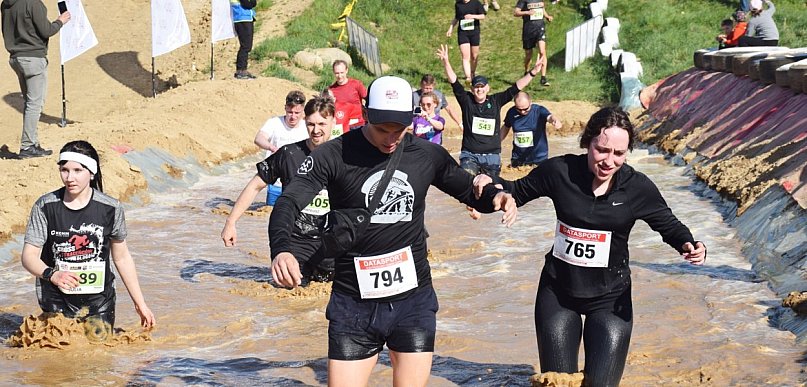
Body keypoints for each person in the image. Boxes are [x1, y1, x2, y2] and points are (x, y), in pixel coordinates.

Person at [268, 75, 516, 386]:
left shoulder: (426, 155)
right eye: (382, 129)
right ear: (366, 113)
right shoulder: (333, 154)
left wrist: (497, 196)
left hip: (413, 300)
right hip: (353, 303)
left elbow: (470, 191)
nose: (391, 138)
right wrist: (281, 250)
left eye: (398, 129)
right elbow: (288, 202)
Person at [473, 107, 707, 386]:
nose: (609, 160)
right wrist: (487, 185)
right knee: (557, 382)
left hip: (610, 299)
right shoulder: (560, 171)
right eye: (602, 150)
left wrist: (690, 244)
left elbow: (667, 224)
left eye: (619, 154)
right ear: (588, 143)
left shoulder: (637, 188)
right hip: (558, 293)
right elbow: (514, 190)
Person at [21, 141, 156, 331]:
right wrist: (53, 275)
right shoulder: (45, 206)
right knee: (60, 355)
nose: (69, 177)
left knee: (99, 355)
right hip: (56, 297)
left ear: (91, 173)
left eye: (77, 170)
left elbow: (122, 257)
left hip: (99, 300)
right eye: (64, 170)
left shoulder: (111, 208)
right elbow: (28, 256)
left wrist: (140, 303)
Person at [222, 95, 336, 283]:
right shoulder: (289, 154)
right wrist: (231, 222)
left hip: (331, 244)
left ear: (333, 121)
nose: (316, 131)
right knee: (289, 299)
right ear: (304, 122)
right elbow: (255, 185)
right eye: (311, 124)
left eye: (322, 124)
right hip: (295, 242)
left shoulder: (343, 155)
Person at [437, 43, 543, 178]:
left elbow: (516, 87)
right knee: (466, 181)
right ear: (472, 89)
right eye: (476, 87)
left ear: (488, 88)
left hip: (492, 156)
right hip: (470, 155)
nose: (479, 89)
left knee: (491, 191)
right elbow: (454, 82)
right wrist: (446, 62)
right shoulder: (466, 100)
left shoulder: (496, 101)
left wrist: (533, 72)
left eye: (482, 87)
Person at [2, 0, 70, 159]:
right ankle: (28, 146)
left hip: (16, 58)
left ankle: (33, 142)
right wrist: (61, 21)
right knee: (35, 104)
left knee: (29, 102)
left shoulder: (6, 3)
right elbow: (46, 31)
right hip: (33, 59)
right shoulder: (34, 3)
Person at [254, 90, 309, 205]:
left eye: (297, 113)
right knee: (270, 214)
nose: (293, 116)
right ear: (285, 108)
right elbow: (259, 138)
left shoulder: (308, 126)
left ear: (303, 110)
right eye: (290, 112)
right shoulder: (274, 123)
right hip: (276, 185)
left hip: (299, 184)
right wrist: (271, 147)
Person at [501, 91, 561, 168]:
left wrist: (554, 120)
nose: (522, 112)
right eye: (519, 109)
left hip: (538, 159)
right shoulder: (511, 112)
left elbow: (549, 117)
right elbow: (506, 127)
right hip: (518, 158)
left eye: (526, 109)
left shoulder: (539, 110)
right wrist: (496, 142)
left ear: (530, 102)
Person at [514, 0, 554, 86]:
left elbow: (542, 9)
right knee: (528, 55)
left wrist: (547, 16)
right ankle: (526, 71)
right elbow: (516, 12)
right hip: (528, 29)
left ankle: (543, 78)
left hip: (540, 28)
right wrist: (527, 12)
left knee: (542, 52)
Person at [446, 0, 486, 84]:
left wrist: (472, 16)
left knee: (474, 56)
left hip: (474, 32)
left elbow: (483, 16)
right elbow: (457, 18)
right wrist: (451, 28)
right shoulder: (458, 4)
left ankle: (472, 72)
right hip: (463, 33)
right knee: (465, 56)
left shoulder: (476, 3)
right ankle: (468, 77)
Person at [329, 60, 367, 130]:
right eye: (337, 73)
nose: (340, 76)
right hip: (341, 126)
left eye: (342, 73)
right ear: (333, 73)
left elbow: (367, 98)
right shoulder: (331, 91)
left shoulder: (356, 84)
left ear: (346, 70)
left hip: (358, 124)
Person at [231, 0, 257, 79]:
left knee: (246, 46)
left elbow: (252, 4)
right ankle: (240, 70)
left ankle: (243, 69)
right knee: (245, 46)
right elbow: (248, 4)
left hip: (244, 18)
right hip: (242, 19)